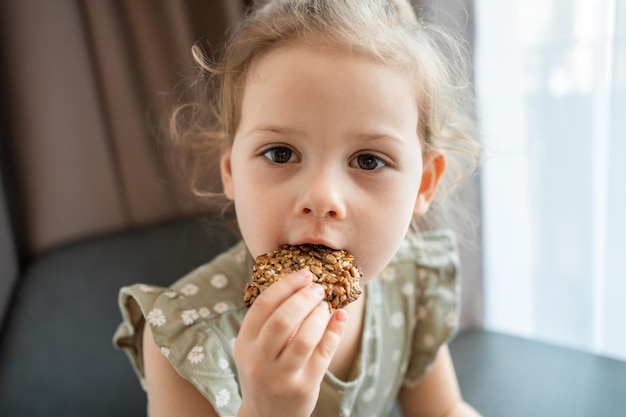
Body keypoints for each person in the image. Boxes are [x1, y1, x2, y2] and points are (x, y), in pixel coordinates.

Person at [114, 0, 482, 416]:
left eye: (368, 161)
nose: (322, 197)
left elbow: (446, 410)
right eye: (281, 153)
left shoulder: (410, 285)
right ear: (231, 171)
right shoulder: (186, 338)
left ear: (423, 183)